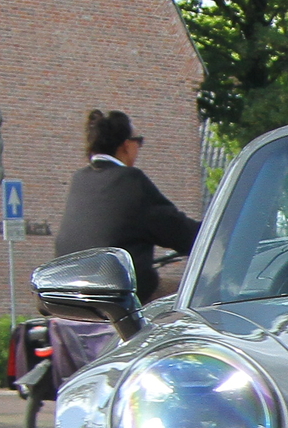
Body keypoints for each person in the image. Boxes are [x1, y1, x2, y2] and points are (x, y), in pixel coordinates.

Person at [54, 110, 202, 304]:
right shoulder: (131, 181)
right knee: (193, 299)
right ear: (126, 145)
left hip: (72, 295)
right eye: (138, 141)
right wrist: (218, 233)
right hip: (118, 298)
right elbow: (181, 232)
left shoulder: (80, 180)